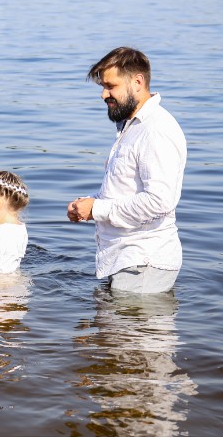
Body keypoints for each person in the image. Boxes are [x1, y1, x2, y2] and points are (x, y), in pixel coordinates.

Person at [66, 47, 187, 293]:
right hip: (127, 261)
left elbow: (160, 201)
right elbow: (126, 188)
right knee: (114, 331)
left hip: (143, 263)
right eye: (102, 86)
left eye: (111, 86)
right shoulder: (131, 126)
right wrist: (89, 205)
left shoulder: (156, 130)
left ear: (137, 82)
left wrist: (97, 209)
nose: (103, 95)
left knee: (127, 331)